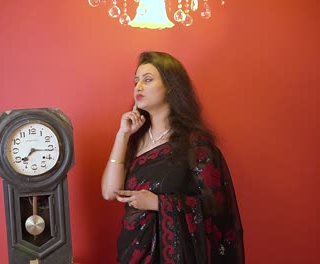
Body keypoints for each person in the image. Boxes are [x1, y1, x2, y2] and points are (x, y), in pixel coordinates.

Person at [101, 51, 244, 263]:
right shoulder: (135, 140)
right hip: (133, 250)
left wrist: (158, 203)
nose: (138, 87)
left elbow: (215, 207)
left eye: (147, 80)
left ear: (170, 86)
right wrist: (122, 135)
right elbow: (110, 192)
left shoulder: (194, 144)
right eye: (136, 81)